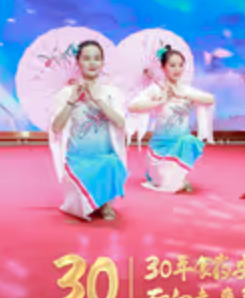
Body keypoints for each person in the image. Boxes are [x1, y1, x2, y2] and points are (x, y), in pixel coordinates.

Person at [49, 40, 128, 221]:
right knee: (80, 207)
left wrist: (99, 100)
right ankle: (90, 198)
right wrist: (71, 101)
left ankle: (105, 203)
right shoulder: (67, 93)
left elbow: (121, 123)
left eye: (97, 58)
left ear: (102, 62)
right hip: (78, 159)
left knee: (110, 163)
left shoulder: (112, 93)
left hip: (105, 157)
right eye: (86, 58)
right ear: (78, 62)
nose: (92, 63)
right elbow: (56, 127)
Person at [128, 45, 215, 193]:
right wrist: (159, 102)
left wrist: (182, 95)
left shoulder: (185, 89)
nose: (177, 69)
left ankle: (178, 177)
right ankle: (170, 177)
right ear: (163, 67)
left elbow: (210, 99)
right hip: (161, 148)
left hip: (180, 145)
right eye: (172, 65)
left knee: (188, 140)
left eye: (181, 65)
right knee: (165, 182)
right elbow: (132, 106)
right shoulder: (157, 89)